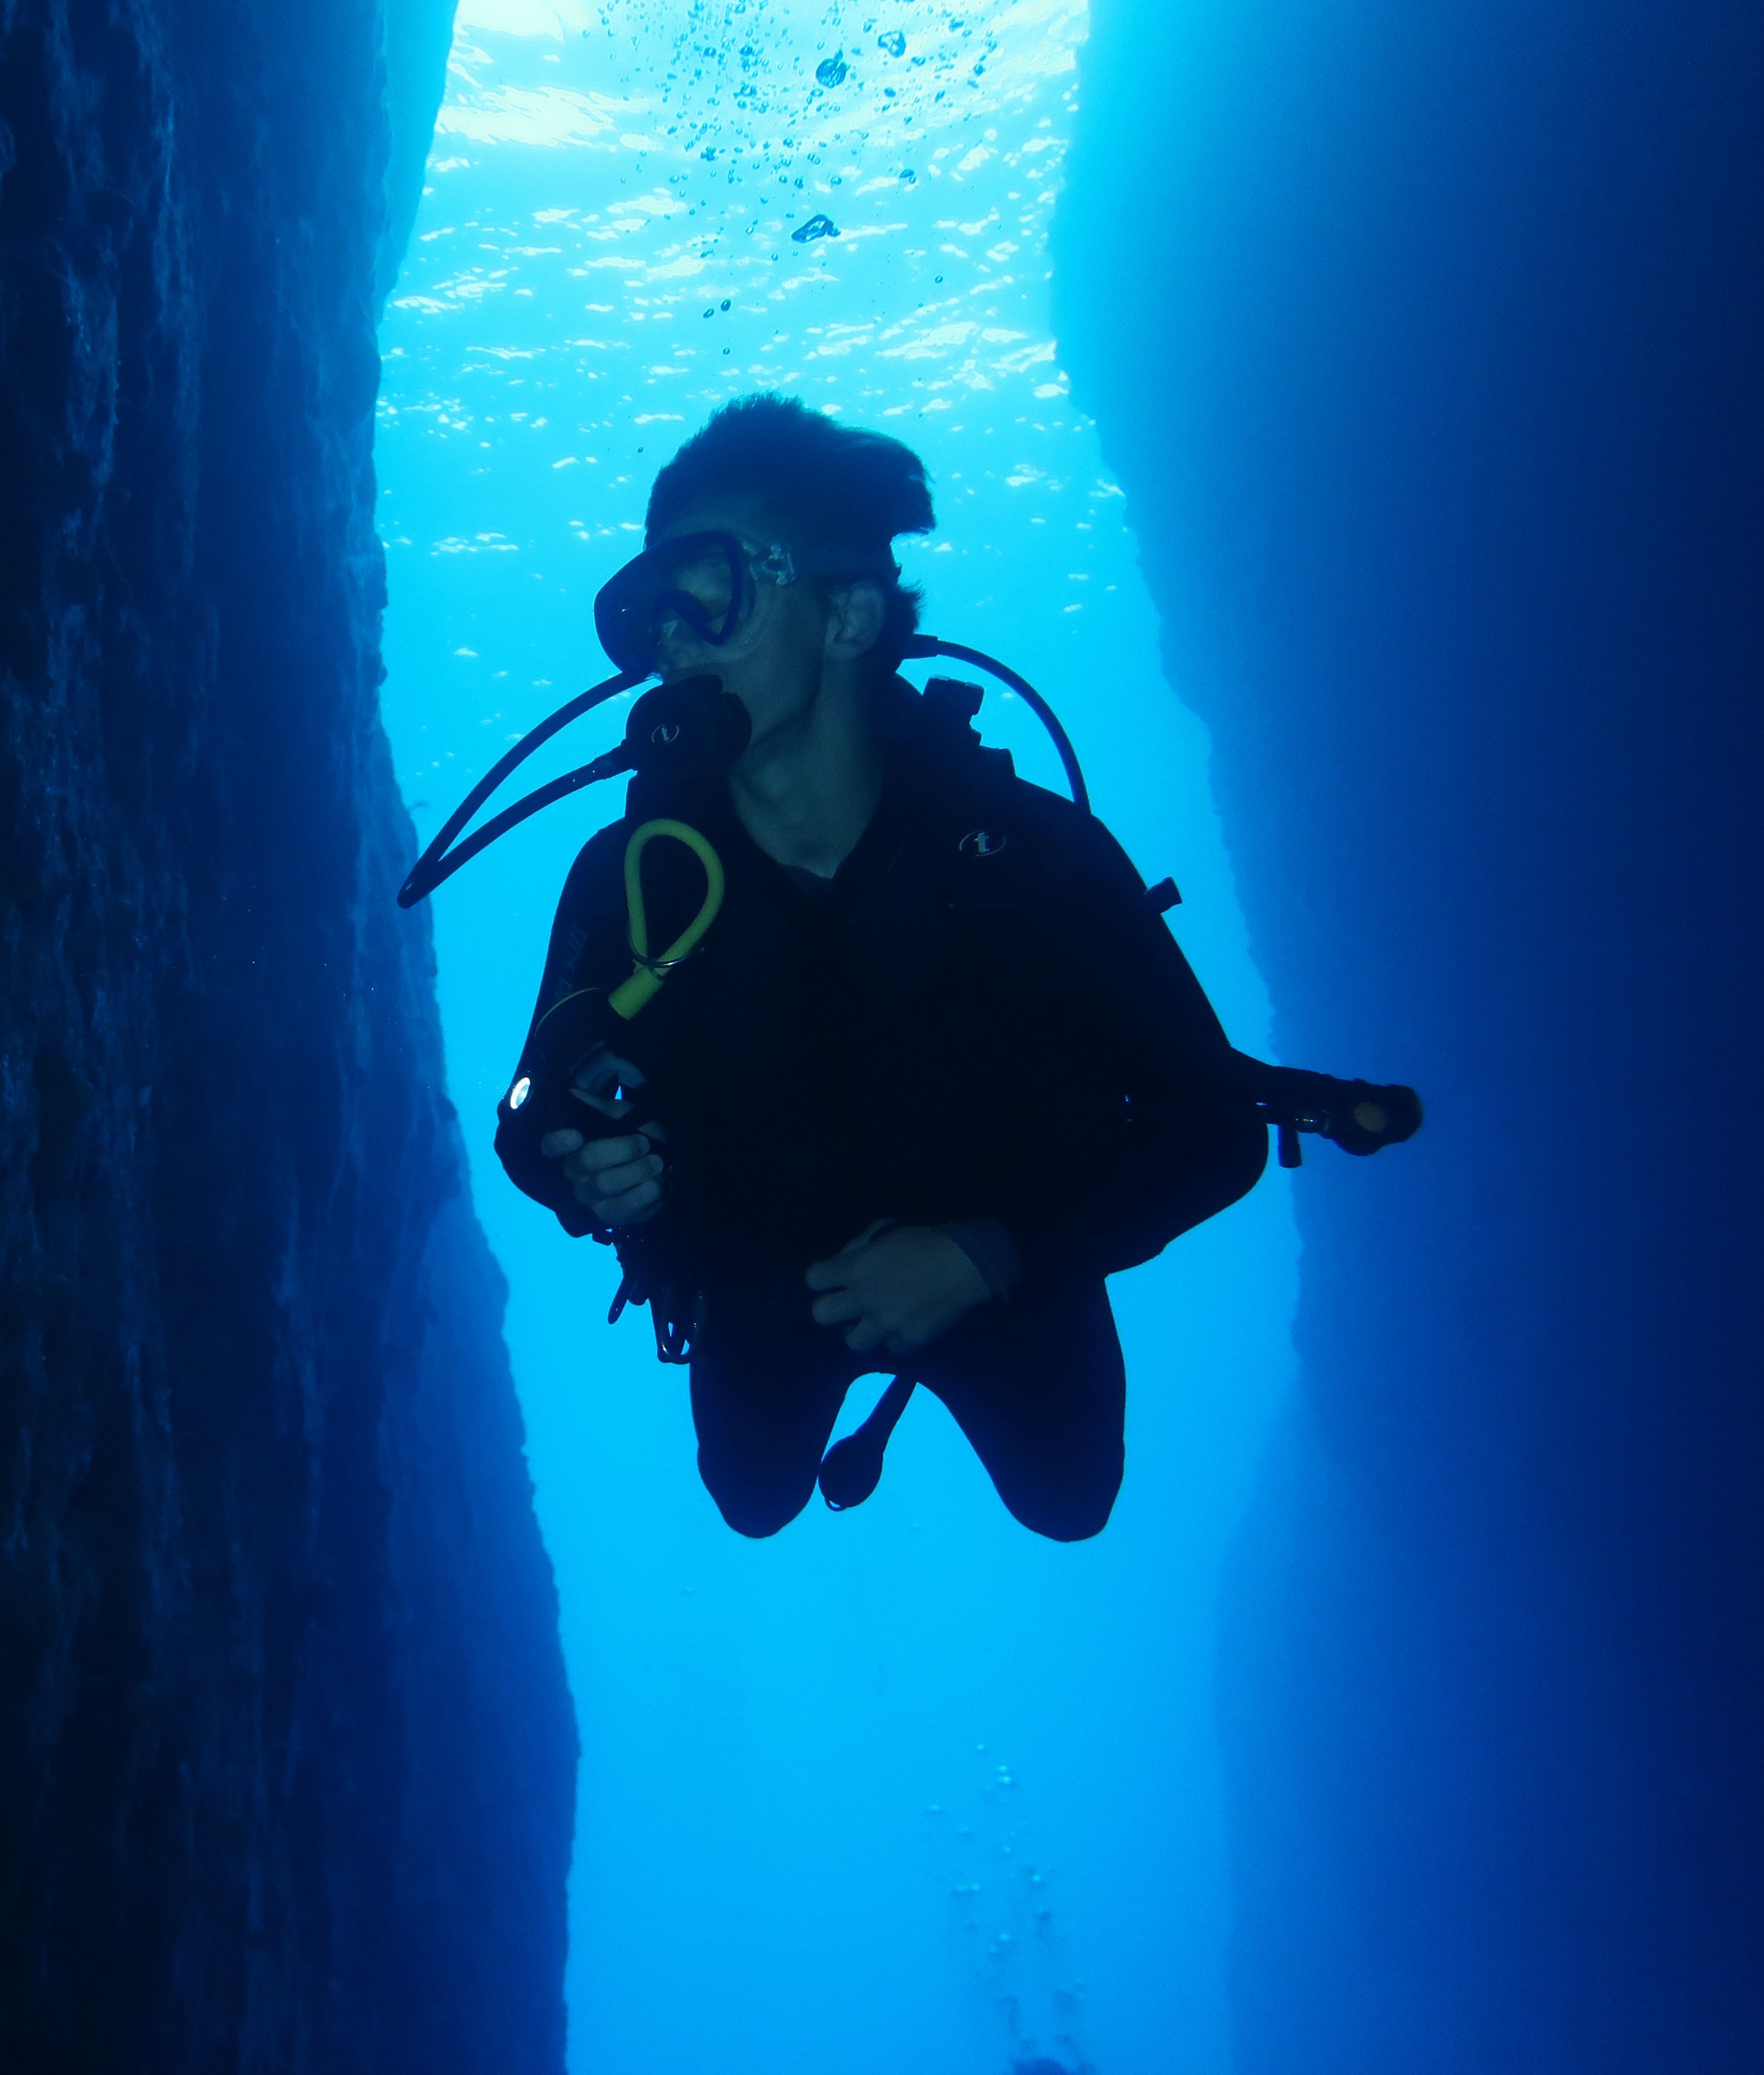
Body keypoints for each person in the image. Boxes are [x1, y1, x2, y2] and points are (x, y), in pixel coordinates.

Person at [501, 394, 1266, 1540]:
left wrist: (986, 1251)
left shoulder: (1028, 857)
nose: (671, 640)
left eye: (709, 591)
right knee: (751, 1501)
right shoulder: (632, 878)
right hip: (761, 1276)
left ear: (849, 616)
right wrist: (580, 1167)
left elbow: (1217, 1129)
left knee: (1072, 1501)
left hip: (1008, 1257)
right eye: (649, 608)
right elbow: (528, 1108)